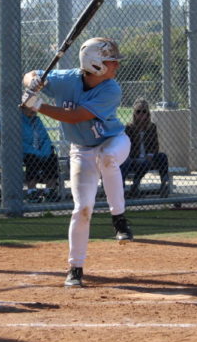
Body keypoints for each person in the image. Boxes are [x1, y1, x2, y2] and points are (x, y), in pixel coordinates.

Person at [21, 37, 133, 287]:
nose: (116, 65)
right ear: (95, 65)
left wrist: (38, 104)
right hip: (81, 150)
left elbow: (75, 117)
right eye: (111, 61)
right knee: (82, 209)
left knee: (107, 158)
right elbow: (29, 75)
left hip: (113, 141)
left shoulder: (111, 88)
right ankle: (75, 268)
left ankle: (120, 219)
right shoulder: (66, 80)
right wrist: (34, 82)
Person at [121, 98, 170, 198]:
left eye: (144, 111)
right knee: (144, 163)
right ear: (134, 113)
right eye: (138, 111)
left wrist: (150, 155)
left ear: (148, 113)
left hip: (148, 158)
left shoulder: (151, 127)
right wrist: (135, 157)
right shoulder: (129, 128)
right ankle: (135, 185)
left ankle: (164, 183)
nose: (141, 114)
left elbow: (155, 145)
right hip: (134, 160)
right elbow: (126, 146)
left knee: (162, 156)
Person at [21, 106, 61, 202]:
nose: (32, 110)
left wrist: (45, 152)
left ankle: (50, 190)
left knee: (52, 158)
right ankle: (32, 191)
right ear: (22, 109)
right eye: (29, 108)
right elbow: (21, 143)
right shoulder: (19, 121)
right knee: (32, 159)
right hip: (27, 152)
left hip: (41, 151)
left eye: (33, 108)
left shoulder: (37, 120)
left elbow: (45, 138)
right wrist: (37, 152)